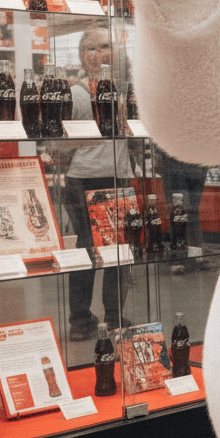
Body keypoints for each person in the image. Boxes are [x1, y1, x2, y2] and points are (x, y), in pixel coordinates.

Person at [63, 28, 134, 340]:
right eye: (91, 49)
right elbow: (62, 142)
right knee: (86, 249)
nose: (98, 54)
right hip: (84, 178)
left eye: (105, 47)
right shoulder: (77, 93)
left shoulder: (125, 89)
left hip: (118, 176)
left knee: (119, 251)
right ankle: (80, 319)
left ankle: (115, 316)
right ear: (82, 55)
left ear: (115, 53)